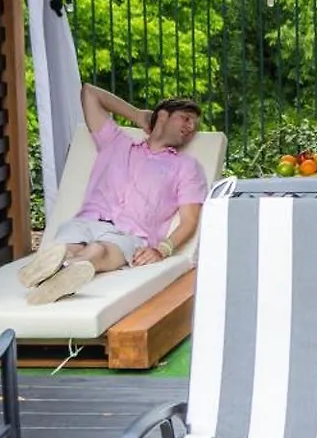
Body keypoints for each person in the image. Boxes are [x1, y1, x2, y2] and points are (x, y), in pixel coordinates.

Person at [19, 86, 209, 305]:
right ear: (163, 116)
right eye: (186, 118)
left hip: (129, 235)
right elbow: (90, 93)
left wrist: (162, 249)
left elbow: (189, 220)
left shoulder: (186, 167)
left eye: (194, 125)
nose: (191, 127)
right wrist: (137, 115)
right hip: (86, 222)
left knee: (98, 250)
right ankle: (59, 270)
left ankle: (61, 273)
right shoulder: (115, 142)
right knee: (66, 247)